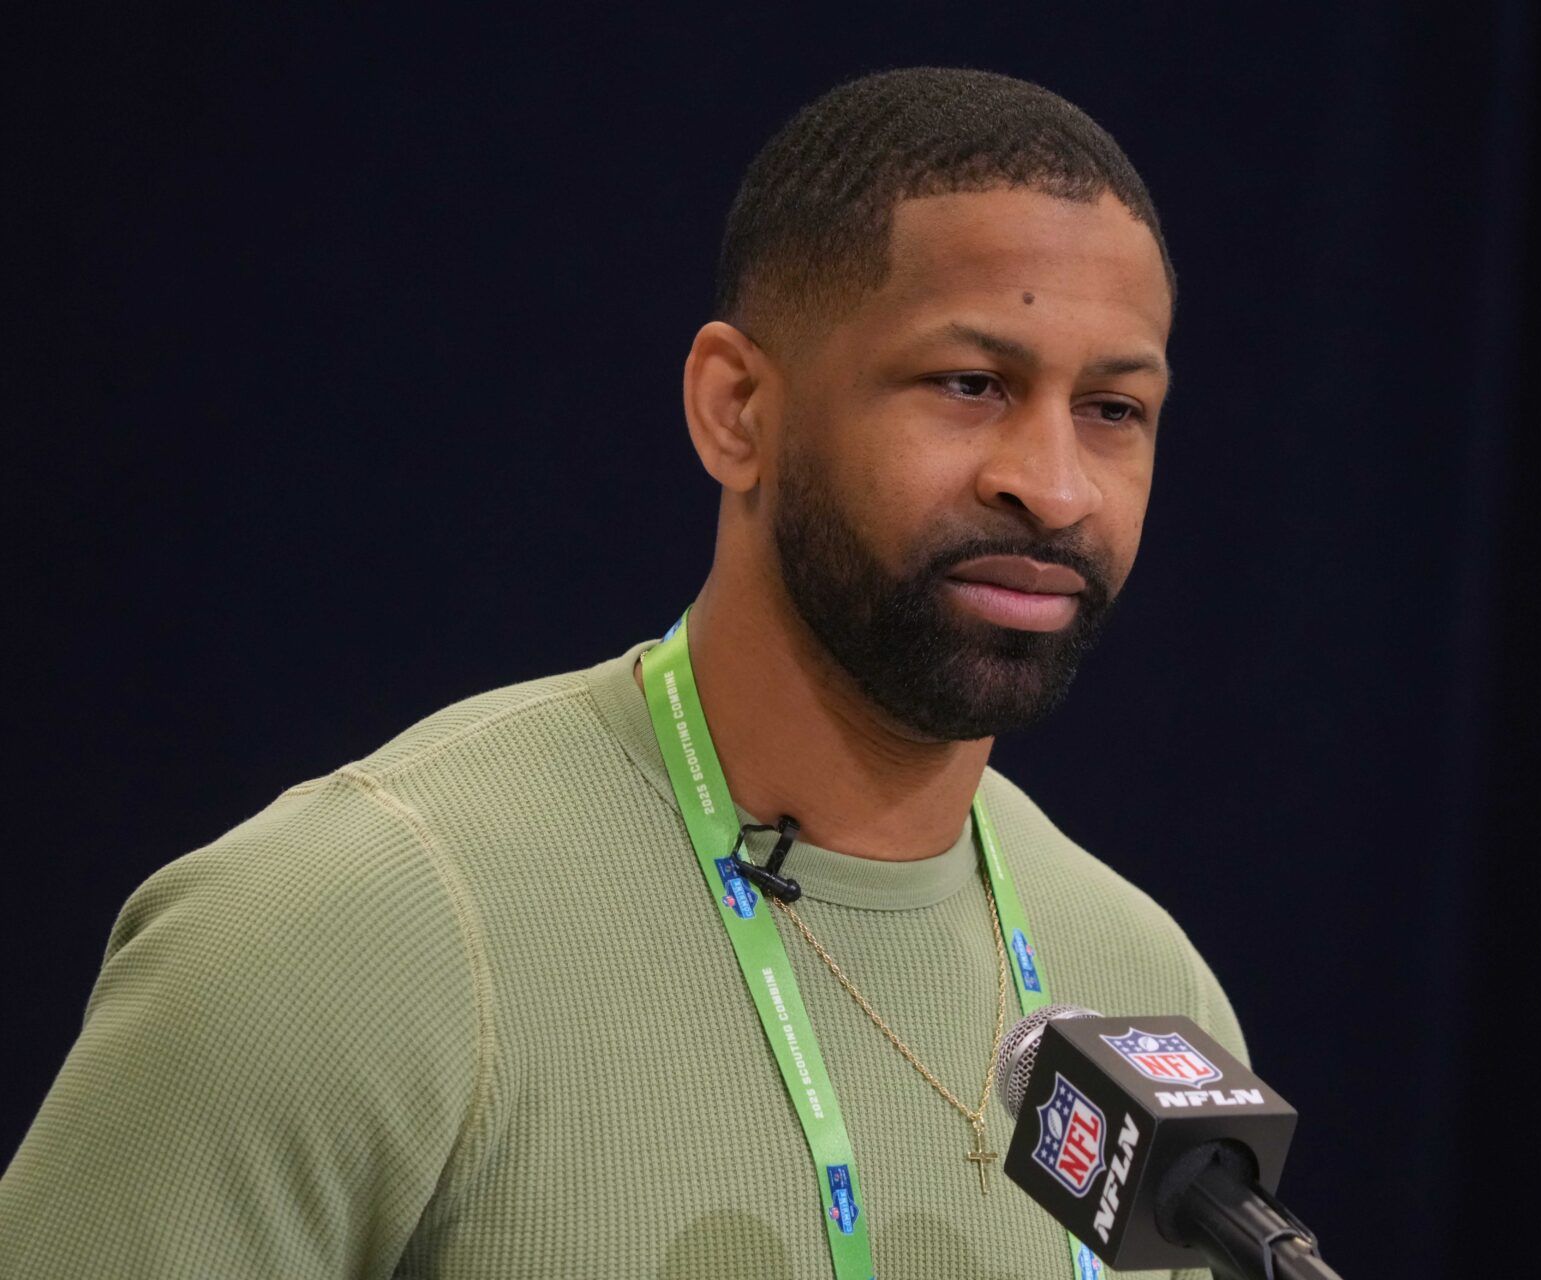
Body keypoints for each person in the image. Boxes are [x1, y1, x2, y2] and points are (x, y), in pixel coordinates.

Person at [0, 66, 1244, 1279]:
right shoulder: (348, 929)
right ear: (736, 409)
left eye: (1114, 409)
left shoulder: (1148, 992)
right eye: (971, 385)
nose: (1055, 483)